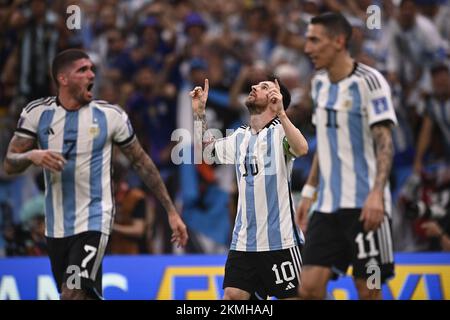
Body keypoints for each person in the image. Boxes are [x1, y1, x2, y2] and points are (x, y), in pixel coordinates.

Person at [3, 49, 188, 300]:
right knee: (81, 295)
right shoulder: (37, 114)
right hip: (57, 224)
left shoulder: (110, 116)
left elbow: (142, 163)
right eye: (83, 70)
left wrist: (171, 211)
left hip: (94, 218)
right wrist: (31, 156)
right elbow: (9, 163)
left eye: (92, 69)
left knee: (72, 293)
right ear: (63, 79)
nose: (92, 74)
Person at [295, 13, 397, 300]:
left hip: (366, 206)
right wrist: (309, 192)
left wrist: (377, 193)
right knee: (308, 288)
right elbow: (326, 144)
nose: (307, 48)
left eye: (315, 40)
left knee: (369, 291)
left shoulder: (370, 81)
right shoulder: (318, 84)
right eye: (307, 39)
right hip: (327, 207)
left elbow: (385, 143)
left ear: (339, 41)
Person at [190, 76, 308, 300]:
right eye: (256, 85)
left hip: (280, 242)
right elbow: (207, 153)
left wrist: (282, 113)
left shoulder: (281, 131)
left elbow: (302, 149)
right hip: (243, 243)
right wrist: (199, 114)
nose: (253, 87)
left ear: (276, 99)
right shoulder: (240, 136)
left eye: (265, 87)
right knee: (233, 297)